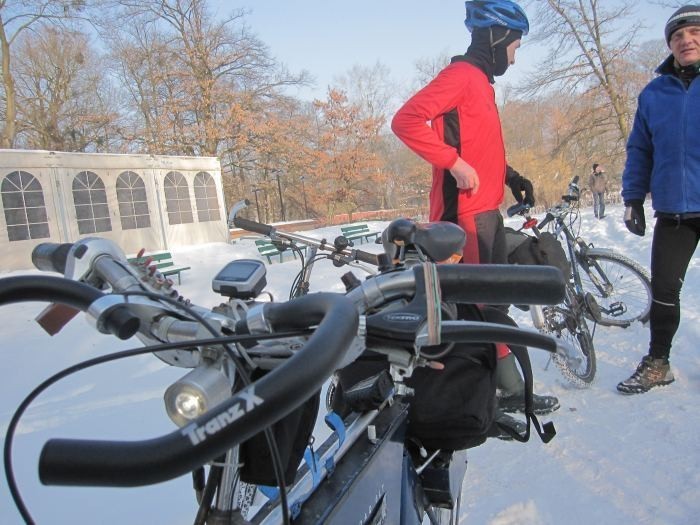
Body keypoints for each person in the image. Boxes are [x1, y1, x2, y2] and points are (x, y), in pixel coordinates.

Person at [391, 0, 559, 421]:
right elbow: (406, 120)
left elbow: (479, 146)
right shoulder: (462, 76)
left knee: (491, 300)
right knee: (486, 304)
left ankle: (493, 385)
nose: (515, 57)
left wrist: (510, 175)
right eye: (516, 46)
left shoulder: (481, 83)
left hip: (487, 207)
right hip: (464, 213)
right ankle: (504, 391)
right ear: (498, 36)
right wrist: (454, 163)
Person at [617, 5, 700, 394]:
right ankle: (658, 363)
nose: (686, 40)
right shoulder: (653, 94)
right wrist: (633, 197)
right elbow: (640, 149)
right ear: (670, 45)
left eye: (694, 32)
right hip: (674, 211)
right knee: (664, 292)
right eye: (678, 36)